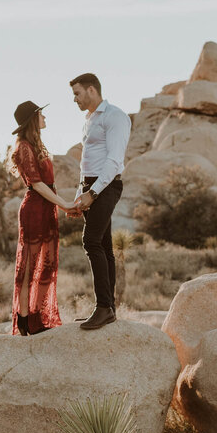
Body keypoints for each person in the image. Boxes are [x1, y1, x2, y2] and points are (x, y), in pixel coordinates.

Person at [9, 100, 76, 336]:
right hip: (35, 209)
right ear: (33, 119)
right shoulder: (24, 147)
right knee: (30, 266)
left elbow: (48, 184)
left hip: (46, 207)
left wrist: (60, 205)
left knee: (44, 265)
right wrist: (65, 204)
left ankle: (37, 317)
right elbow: (37, 184)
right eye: (41, 115)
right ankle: (26, 319)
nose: (45, 119)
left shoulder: (36, 145)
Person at [70, 73, 130, 330]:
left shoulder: (115, 116)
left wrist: (92, 193)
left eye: (77, 94)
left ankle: (104, 307)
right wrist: (79, 194)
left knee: (91, 241)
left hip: (105, 186)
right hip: (91, 185)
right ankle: (108, 308)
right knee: (104, 245)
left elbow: (114, 160)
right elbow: (88, 162)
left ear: (91, 90)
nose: (75, 100)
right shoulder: (89, 120)